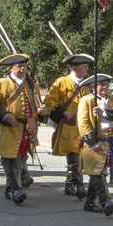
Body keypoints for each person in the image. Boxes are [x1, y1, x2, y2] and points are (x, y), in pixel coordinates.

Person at [0, 54, 45, 204]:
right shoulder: (1, 83)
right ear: (11, 68)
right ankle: (16, 190)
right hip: (8, 128)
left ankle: (9, 190)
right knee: (8, 159)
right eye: (18, 66)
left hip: (26, 129)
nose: (22, 68)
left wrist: (42, 111)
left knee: (20, 160)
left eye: (24, 66)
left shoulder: (31, 83)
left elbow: (34, 105)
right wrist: (4, 115)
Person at [44, 54, 94, 199]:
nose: (86, 68)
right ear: (74, 67)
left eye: (86, 66)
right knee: (74, 157)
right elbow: (49, 100)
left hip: (85, 126)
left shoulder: (88, 83)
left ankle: (69, 185)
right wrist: (62, 111)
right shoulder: (62, 82)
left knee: (79, 157)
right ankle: (79, 186)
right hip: (69, 126)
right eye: (83, 66)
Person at [77, 73, 113, 215]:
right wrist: (92, 142)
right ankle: (105, 201)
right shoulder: (86, 100)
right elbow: (83, 123)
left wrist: (104, 112)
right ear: (93, 87)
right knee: (97, 172)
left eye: (106, 84)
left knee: (98, 171)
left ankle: (89, 202)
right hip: (94, 143)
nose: (105, 86)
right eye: (101, 84)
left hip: (109, 142)